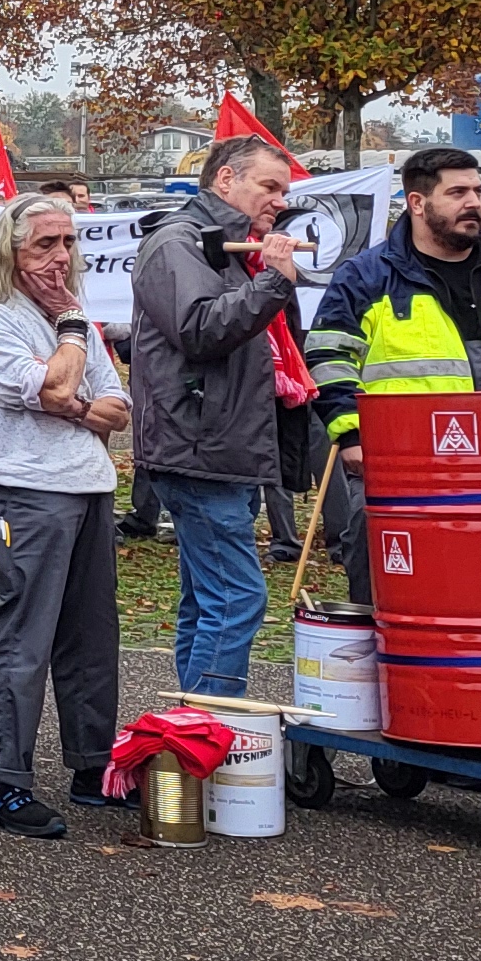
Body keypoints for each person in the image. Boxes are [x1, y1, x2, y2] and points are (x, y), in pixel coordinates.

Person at [0, 192, 130, 839]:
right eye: (45, 244)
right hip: (25, 493)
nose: (61, 256)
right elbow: (56, 387)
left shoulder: (72, 316)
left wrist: (71, 394)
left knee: (92, 637)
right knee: (23, 637)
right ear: (11, 252)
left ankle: (92, 765)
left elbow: (115, 408)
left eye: (69, 242)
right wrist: (71, 356)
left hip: (90, 486)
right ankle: (3, 783)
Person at [129, 130, 309, 695]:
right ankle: (210, 721)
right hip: (198, 449)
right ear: (226, 179)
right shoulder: (179, 241)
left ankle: (192, 723)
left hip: (221, 448)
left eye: (283, 190)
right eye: (269, 186)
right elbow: (200, 328)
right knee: (237, 597)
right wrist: (275, 281)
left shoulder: (235, 247)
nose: (280, 200)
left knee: (207, 599)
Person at [306, 147, 481, 508]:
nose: (474, 203)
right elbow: (329, 355)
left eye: (478, 191)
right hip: (401, 463)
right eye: (458, 193)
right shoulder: (365, 276)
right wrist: (351, 433)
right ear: (417, 203)